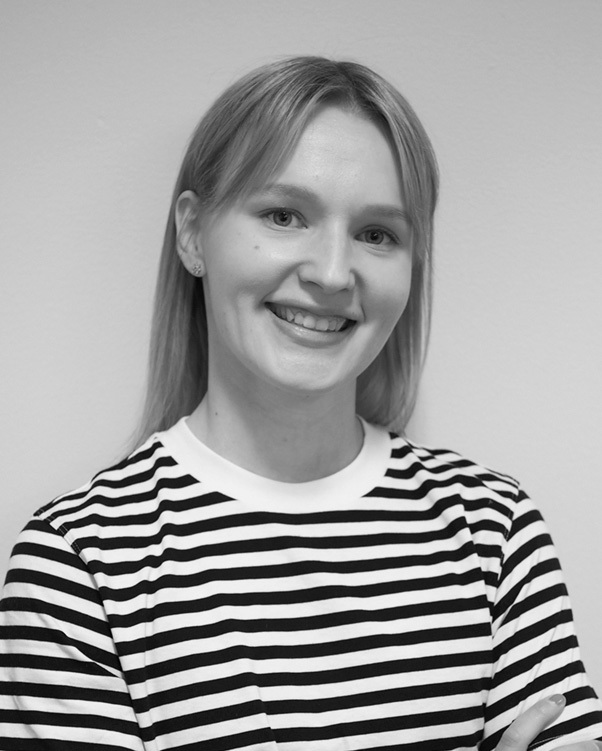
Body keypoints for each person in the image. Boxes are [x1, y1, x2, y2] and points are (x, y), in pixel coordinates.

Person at [0, 56, 600, 751]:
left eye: (377, 234)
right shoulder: (79, 563)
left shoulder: (494, 529)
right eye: (284, 215)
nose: (333, 273)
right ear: (192, 233)